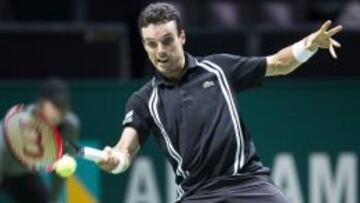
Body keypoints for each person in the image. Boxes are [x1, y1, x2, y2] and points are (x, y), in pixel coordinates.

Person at [98, 2, 342, 203]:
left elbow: (279, 63)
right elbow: (125, 150)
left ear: (182, 37)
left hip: (248, 182)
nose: (160, 50)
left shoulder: (219, 69)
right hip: (197, 195)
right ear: (144, 45)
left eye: (167, 41)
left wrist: (309, 45)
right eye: (151, 44)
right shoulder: (143, 100)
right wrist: (115, 159)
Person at [0, 78, 80, 203]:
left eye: (63, 105)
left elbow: (59, 171)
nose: (59, 110)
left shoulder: (70, 126)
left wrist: (53, 200)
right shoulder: (19, 124)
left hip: (21, 174)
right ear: (41, 104)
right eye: (55, 105)